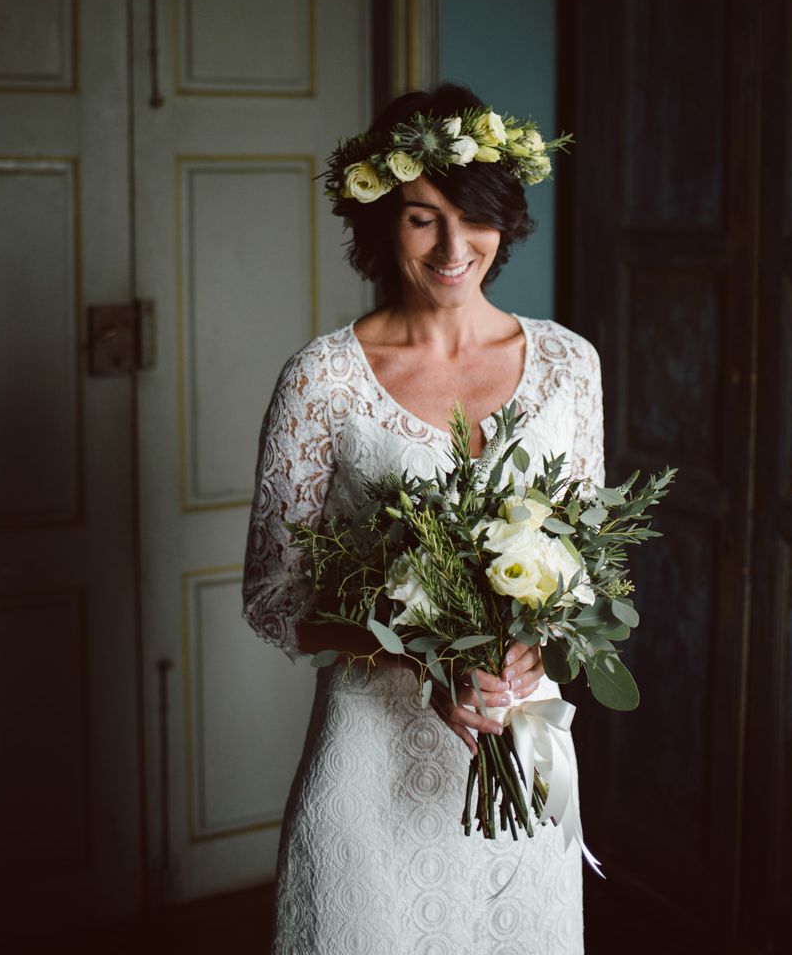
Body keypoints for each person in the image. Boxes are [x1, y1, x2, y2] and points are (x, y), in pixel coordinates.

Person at [242, 83, 603, 955]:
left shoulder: (570, 364)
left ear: (505, 221)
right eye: (420, 219)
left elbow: (587, 559)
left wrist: (537, 639)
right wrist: (420, 651)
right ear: (380, 222)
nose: (453, 247)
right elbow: (273, 597)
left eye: (475, 218)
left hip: (520, 742)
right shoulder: (321, 379)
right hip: (370, 761)